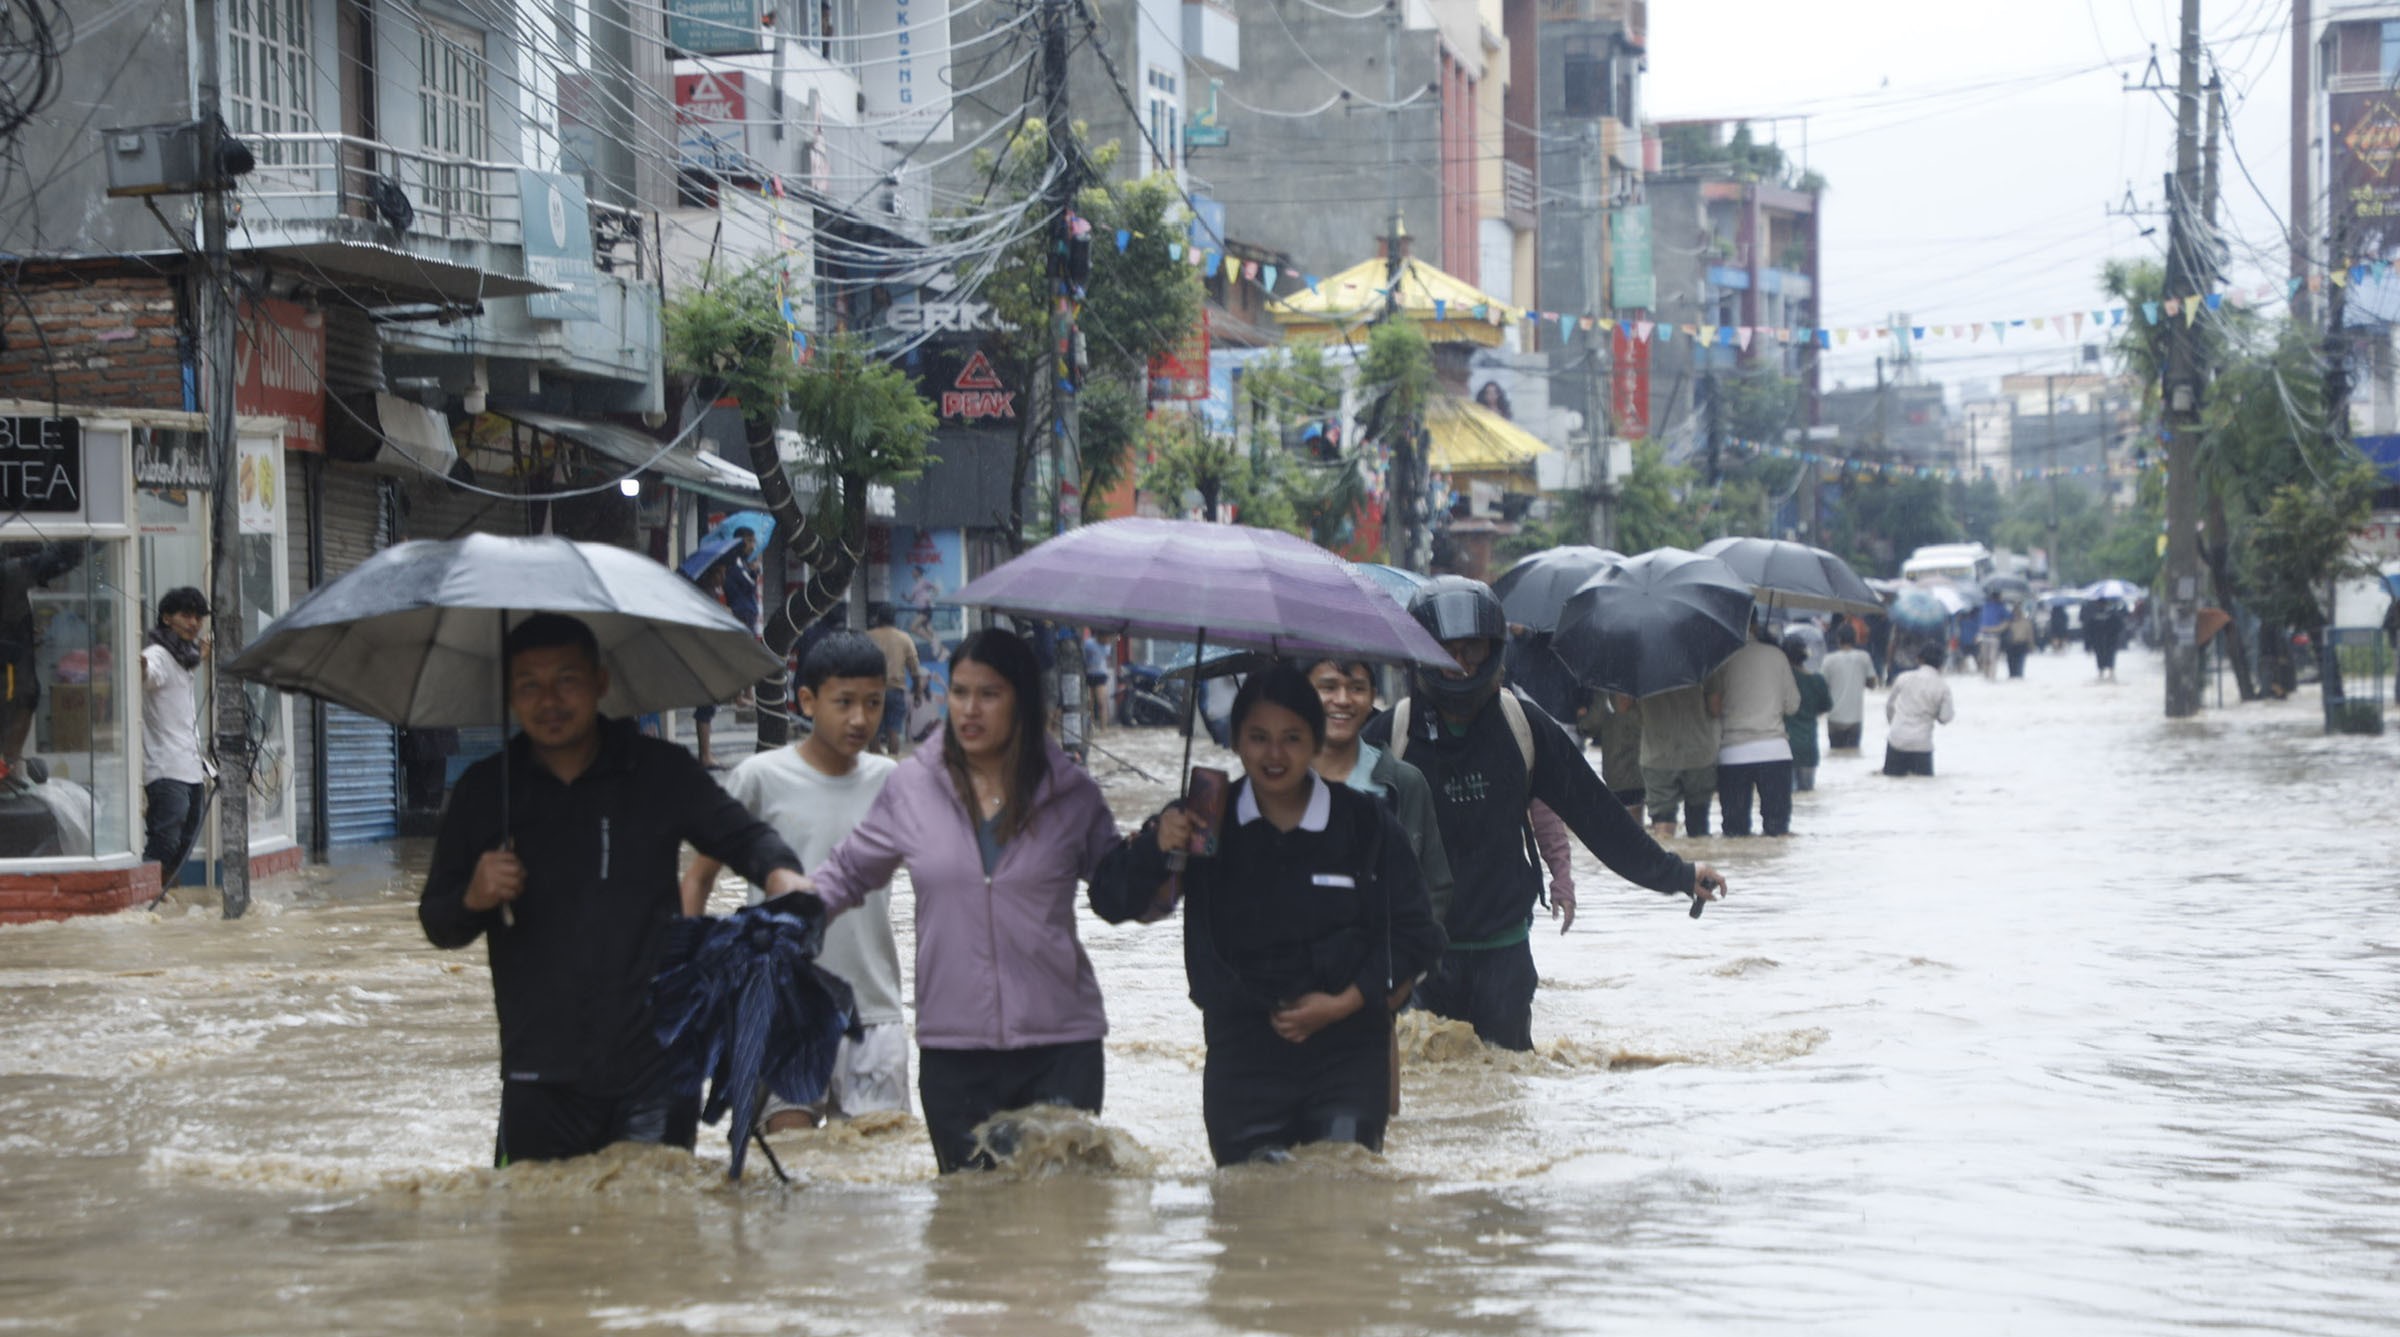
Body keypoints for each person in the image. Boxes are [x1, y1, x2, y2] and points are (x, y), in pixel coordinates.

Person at [419, 614, 810, 1166]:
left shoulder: (657, 772)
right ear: (509, 693)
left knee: (655, 1228)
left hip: (656, 1065)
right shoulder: (486, 792)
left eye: (566, 680)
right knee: (538, 1233)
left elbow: (739, 833)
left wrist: (780, 874)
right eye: (529, 684)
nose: (548, 700)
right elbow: (437, 922)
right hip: (538, 1070)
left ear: (600, 684)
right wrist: (473, 898)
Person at [798, 629, 1128, 1172]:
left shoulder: (1071, 793)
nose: (970, 710)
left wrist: (1166, 854)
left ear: (1022, 699)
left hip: (1061, 1047)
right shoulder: (913, 787)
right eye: (959, 692)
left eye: (989, 695)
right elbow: (847, 874)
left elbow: (1124, 898)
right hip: (955, 1052)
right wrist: (779, 921)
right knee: (967, 1227)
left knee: (1061, 1225)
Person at [1092, 665, 1447, 1165]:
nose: (1274, 755)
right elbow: (1111, 902)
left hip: (1347, 1057)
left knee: (1343, 1196)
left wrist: (1344, 1002)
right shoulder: (1202, 820)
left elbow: (1416, 936)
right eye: (1258, 738)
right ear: (1236, 740)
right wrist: (1156, 845)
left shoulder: (1365, 823)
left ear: (1315, 740)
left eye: (1291, 738)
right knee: (1247, 1210)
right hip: (1243, 1061)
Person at [1360, 577, 1725, 1051]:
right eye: (1446, 652)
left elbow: (1599, 817)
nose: (1460, 665)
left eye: (1473, 650)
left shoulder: (1525, 728)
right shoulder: (1392, 733)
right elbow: (1339, 838)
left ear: (1494, 650)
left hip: (1504, 954)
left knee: (1505, 1089)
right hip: (1420, 957)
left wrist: (1678, 873)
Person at [680, 632, 906, 1129]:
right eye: (843, 702)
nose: (860, 719)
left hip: (873, 1010)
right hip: (778, 1009)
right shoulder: (759, 778)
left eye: (873, 704)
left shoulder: (893, 782)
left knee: (880, 1182)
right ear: (806, 701)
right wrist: (687, 984)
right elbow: (699, 879)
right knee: (788, 1175)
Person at [1300, 658, 1453, 921]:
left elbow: (1433, 887)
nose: (1343, 699)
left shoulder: (1404, 783)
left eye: (1357, 688)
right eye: (1328, 687)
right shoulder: (1273, 784)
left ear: (1372, 695)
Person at [141, 587, 210, 880]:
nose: (193, 623)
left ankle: (166, 896)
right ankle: (148, 895)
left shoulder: (186, 657)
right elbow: (147, 671)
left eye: (198, 617)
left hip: (191, 767)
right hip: (166, 769)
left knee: (185, 843)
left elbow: (195, 655)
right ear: (167, 618)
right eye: (185, 616)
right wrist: (139, 664)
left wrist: (203, 653)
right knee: (165, 842)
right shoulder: (157, 654)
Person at [1712, 623, 1802, 837]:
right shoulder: (1777, 656)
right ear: (1755, 624)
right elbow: (1793, 705)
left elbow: (1713, 707)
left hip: (1732, 754)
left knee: (1735, 834)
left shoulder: (1721, 658)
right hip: (1774, 751)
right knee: (1777, 831)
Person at [1638, 684, 1718, 838]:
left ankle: (1663, 860)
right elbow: (1715, 708)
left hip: (1658, 753)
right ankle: (1700, 858)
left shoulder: (1637, 663)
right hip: (1697, 751)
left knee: (1663, 822)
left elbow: (1623, 705)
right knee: (1699, 824)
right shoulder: (1700, 662)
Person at [1883, 642, 1955, 777]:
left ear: (1919, 659)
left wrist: (1894, 724)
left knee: (1892, 787)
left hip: (1896, 741)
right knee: (1923, 789)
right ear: (1941, 664)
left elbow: (1889, 706)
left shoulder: (1903, 678)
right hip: (1922, 746)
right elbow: (1945, 718)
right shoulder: (1942, 687)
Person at [865, 605, 922, 755]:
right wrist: (918, 693)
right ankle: (892, 763)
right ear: (894, 619)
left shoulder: (867, 637)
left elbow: (856, 662)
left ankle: (877, 764)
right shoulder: (904, 638)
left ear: (878, 618)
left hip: (872, 690)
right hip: (896, 690)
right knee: (894, 731)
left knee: (873, 730)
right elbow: (915, 669)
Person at [1783, 634, 1832, 794]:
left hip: (1784, 747)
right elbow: (1826, 707)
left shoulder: (1780, 680)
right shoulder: (1817, 680)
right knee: (1806, 797)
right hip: (1808, 748)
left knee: (1786, 800)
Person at [1820, 622, 1876, 752]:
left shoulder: (1829, 659)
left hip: (1834, 718)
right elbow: (1873, 684)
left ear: (1838, 639)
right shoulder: (1864, 657)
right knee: (1852, 753)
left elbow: (1822, 686)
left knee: (1835, 754)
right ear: (1855, 639)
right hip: (1855, 719)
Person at [1594, 692, 1645, 821]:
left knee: (1631, 820)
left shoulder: (1636, 715)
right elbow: (1588, 726)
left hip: (1632, 777)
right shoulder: (1607, 713)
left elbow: (1587, 726)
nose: (1624, 699)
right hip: (1621, 777)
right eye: (1620, 696)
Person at [1080, 629, 1114, 737]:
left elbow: (1107, 659)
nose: (1108, 640)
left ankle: (1104, 728)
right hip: (1089, 674)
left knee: (1101, 702)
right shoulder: (1089, 644)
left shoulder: (1108, 647)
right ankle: (1092, 727)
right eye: (1106, 638)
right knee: (1090, 702)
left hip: (1101, 675)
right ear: (1100, 636)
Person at [2085, 598, 2126, 681]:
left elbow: (2088, 630)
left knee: (2101, 656)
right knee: (2109, 655)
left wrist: (2088, 644)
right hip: (2109, 639)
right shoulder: (2113, 614)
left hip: (2100, 640)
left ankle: (2102, 673)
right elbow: (2120, 626)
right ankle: (2110, 673)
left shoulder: (2093, 615)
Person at [1976, 591, 2009, 679]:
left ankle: (1987, 676)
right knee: (1991, 658)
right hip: (1993, 636)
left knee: (1986, 658)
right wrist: (1998, 628)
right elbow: (2008, 620)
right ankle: (1991, 677)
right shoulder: (2000, 607)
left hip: (1986, 635)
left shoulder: (1985, 606)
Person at [2003, 601, 2036, 679]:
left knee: (2018, 666)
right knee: (2012, 666)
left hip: (2020, 645)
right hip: (2012, 645)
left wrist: (2031, 646)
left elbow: (2030, 635)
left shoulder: (2024, 622)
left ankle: (2017, 679)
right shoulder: (2009, 622)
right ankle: (2015, 679)